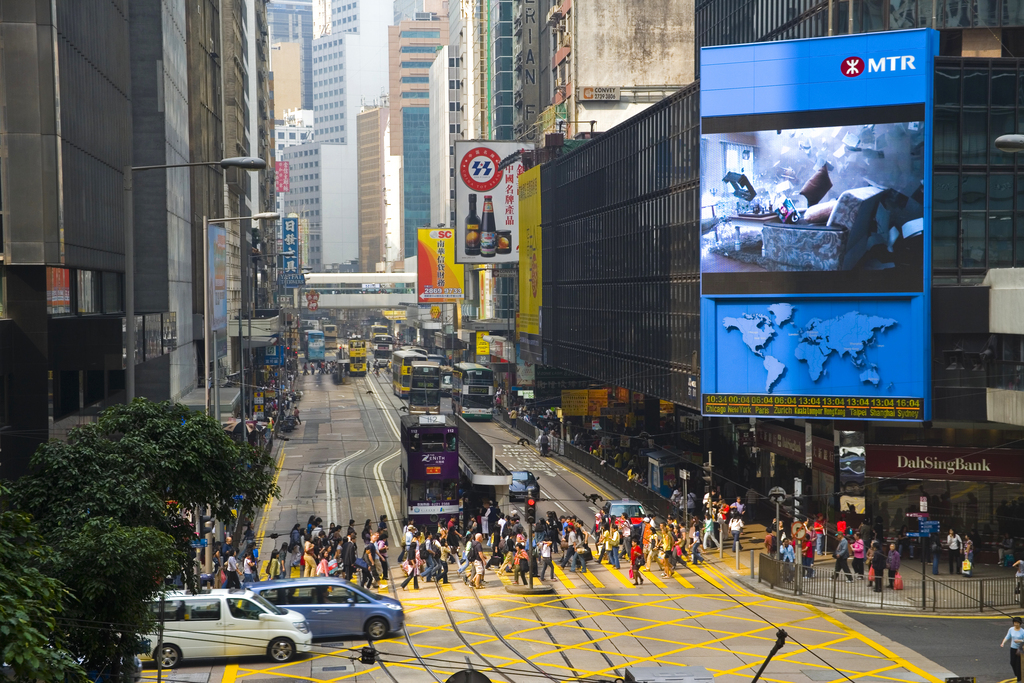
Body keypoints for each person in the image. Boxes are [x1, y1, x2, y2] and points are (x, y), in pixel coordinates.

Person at [1000, 616, 1024, 683]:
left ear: (1020, 623)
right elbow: (1007, 637)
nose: (1016, 624)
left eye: (1017, 623)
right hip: (1013, 648)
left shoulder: (1022, 631)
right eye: (1014, 623)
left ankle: (1019, 678)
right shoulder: (1011, 629)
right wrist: (1003, 643)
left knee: (1018, 664)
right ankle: (1018, 675)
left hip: (1020, 649)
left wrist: (1019, 641)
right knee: (1012, 662)